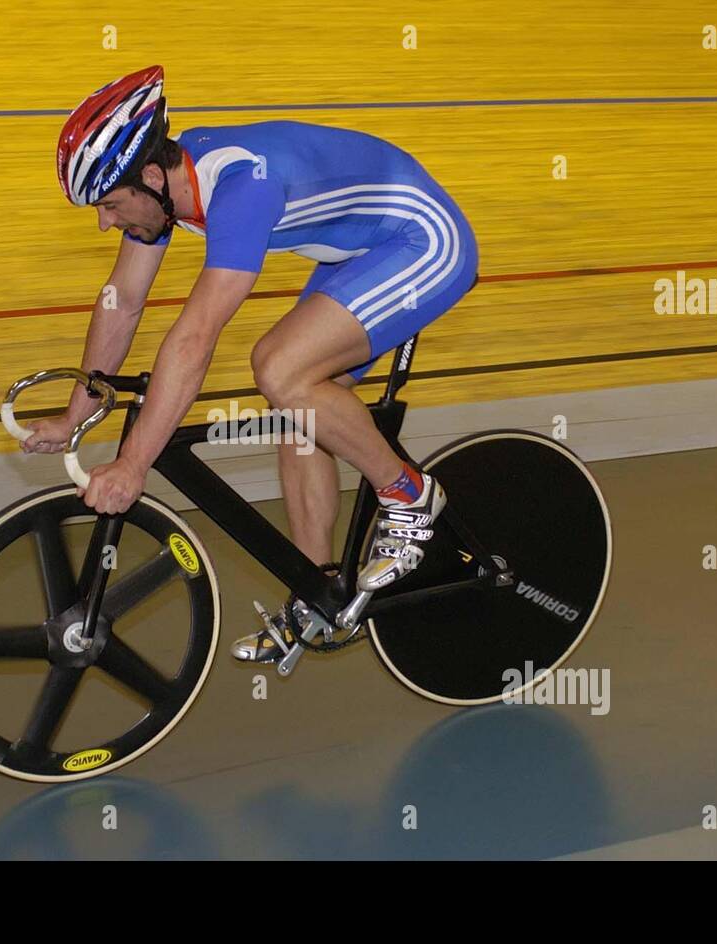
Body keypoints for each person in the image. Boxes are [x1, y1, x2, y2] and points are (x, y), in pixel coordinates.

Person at [24, 65, 479, 662]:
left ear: (152, 177)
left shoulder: (240, 187)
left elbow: (195, 338)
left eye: (110, 204)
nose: (106, 221)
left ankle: (409, 495)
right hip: (367, 247)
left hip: (424, 240)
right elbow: (123, 302)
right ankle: (322, 595)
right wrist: (73, 417)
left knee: (279, 368)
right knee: (304, 413)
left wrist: (134, 462)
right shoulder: (165, 195)